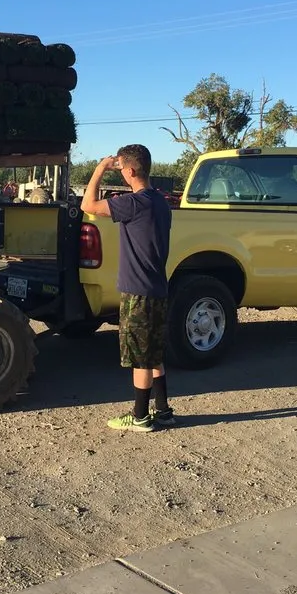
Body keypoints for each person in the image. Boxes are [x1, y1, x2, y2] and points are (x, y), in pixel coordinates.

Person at [80, 144, 174, 432]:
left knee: (140, 358)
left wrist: (99, 170)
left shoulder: (134, 203)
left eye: (121, 168)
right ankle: (163, 410)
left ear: (131, 171)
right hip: (157, 287)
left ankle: (140, 416)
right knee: (154, 353)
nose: (120, 172)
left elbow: (88, 206)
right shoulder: (159, 202)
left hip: (138, 292)